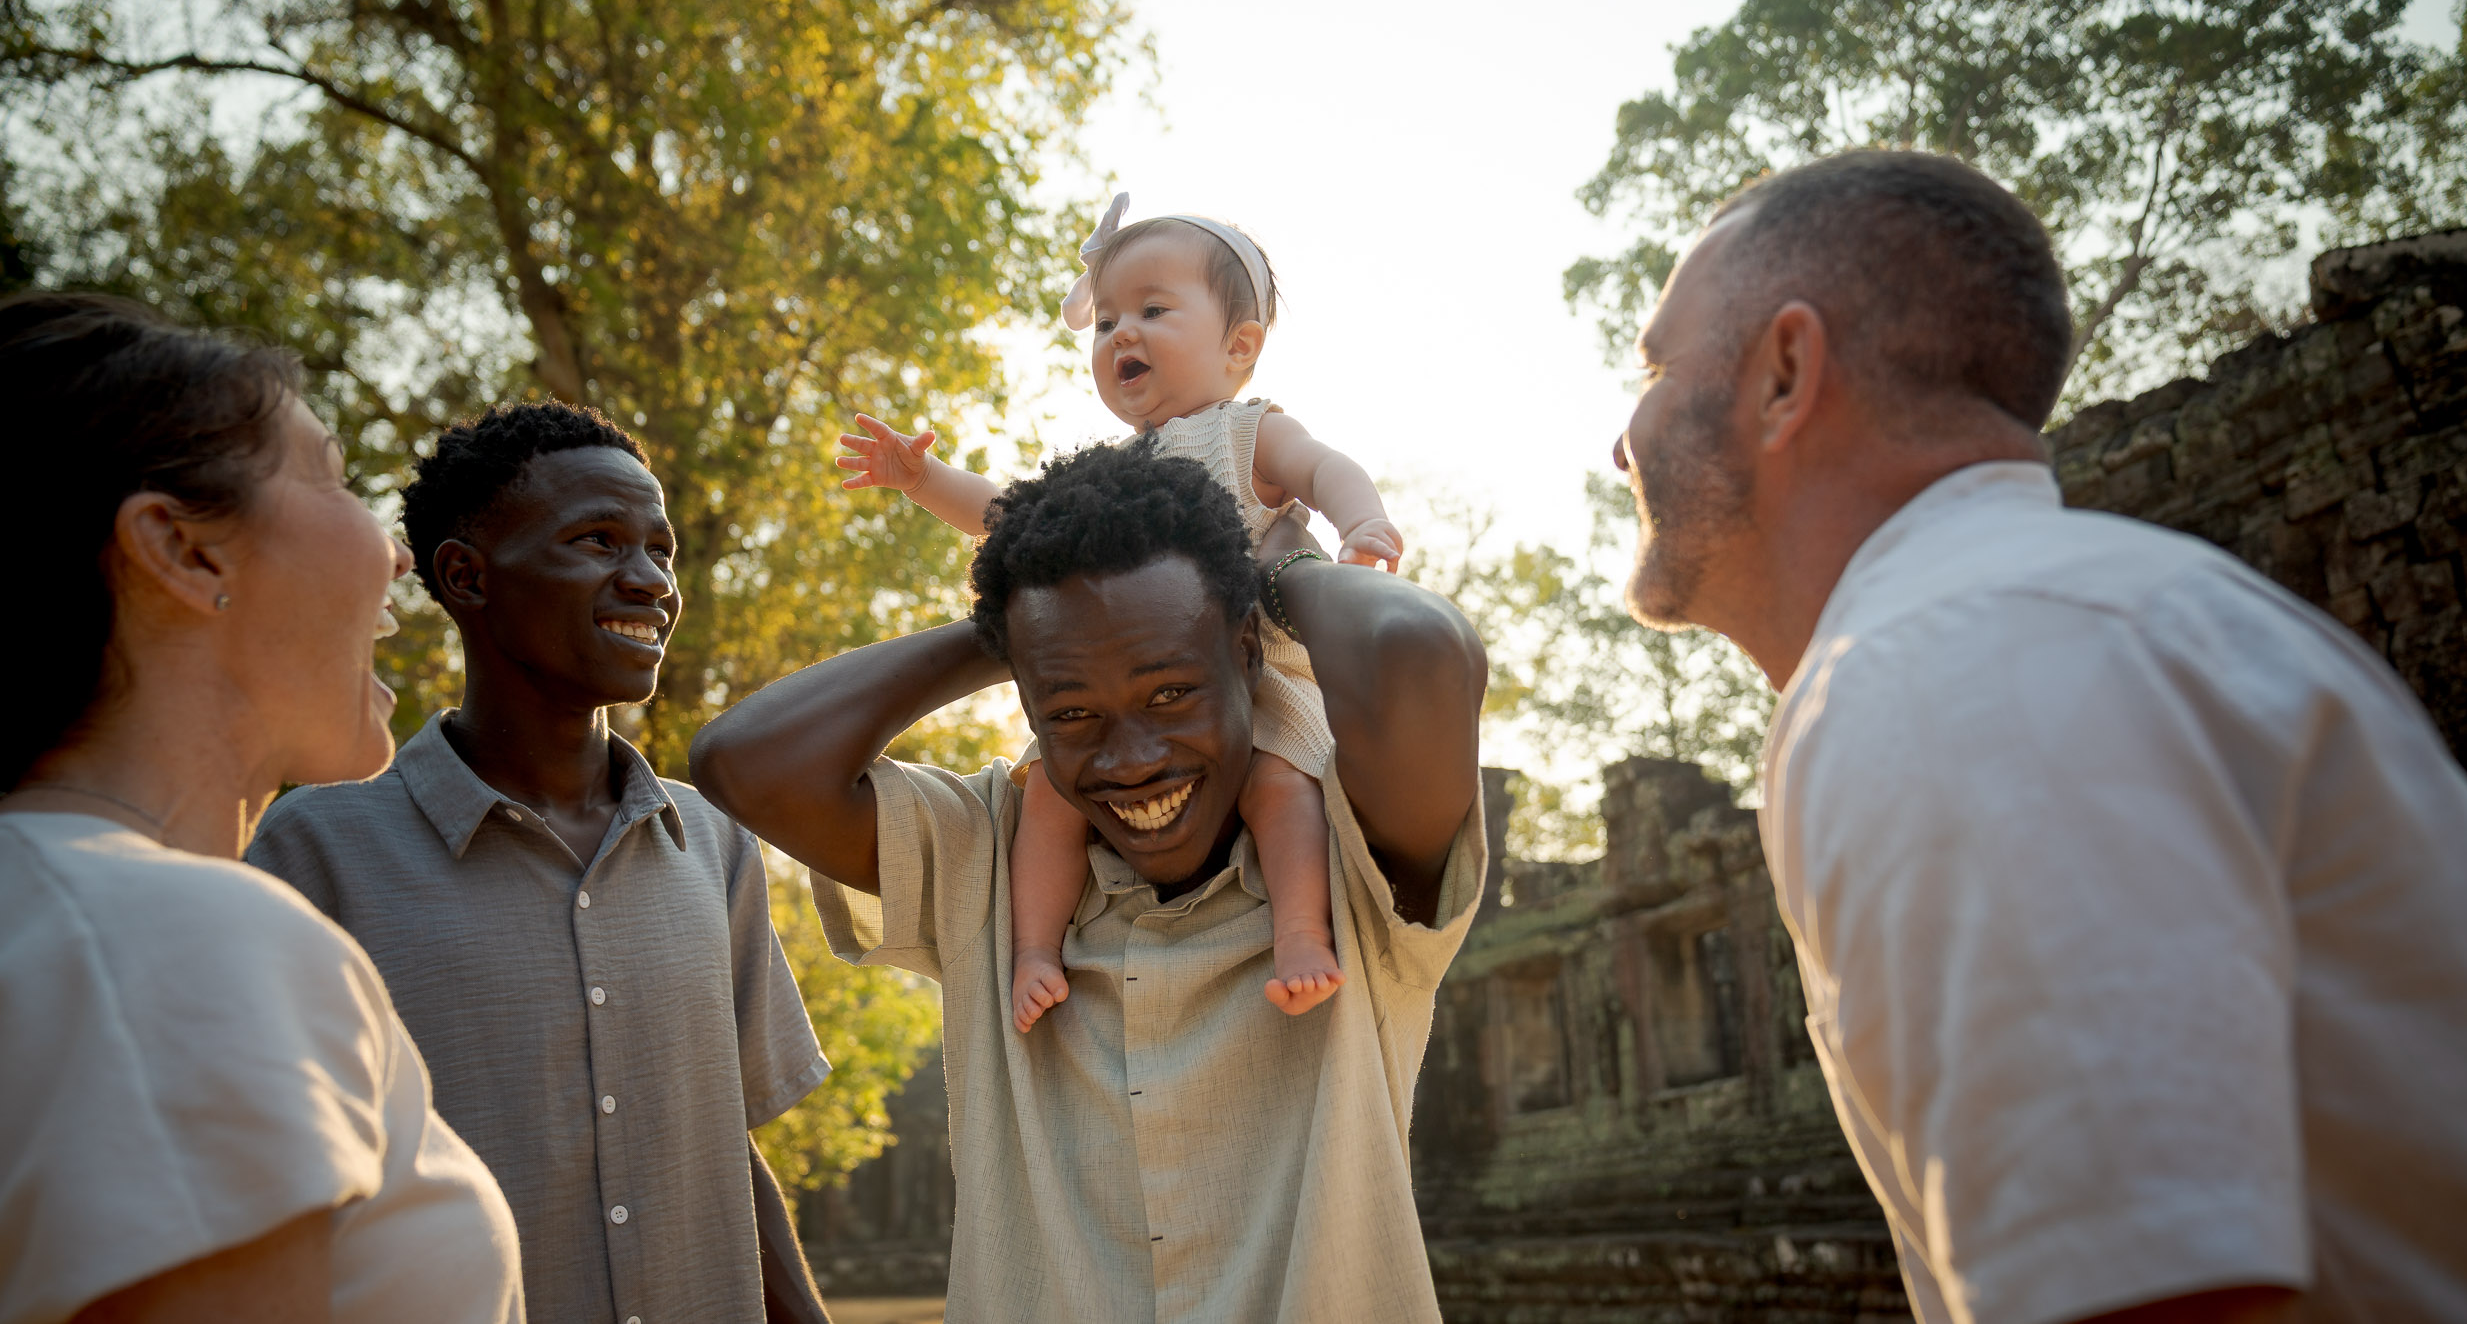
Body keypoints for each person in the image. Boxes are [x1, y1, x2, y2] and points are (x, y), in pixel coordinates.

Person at [1611, 148, 2467, 1323]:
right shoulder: (2051, 625)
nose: (1621, 444)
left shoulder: (1955, 669)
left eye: (1660, 365)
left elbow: (2158, 1297)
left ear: (1784, 374)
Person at [690, 438, 1486, 1323]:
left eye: (1171, 693)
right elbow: (744, 762)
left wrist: (1277, 573)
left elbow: (1420, 650)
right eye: (1069, 712)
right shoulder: (994, 853)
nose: (1133, 760)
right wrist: (1026, 628)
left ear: (1247, 655)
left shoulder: (1349, 852)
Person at [247, 402, 833, 1324]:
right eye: (598, 541)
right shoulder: (313, 853)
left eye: (661, 549)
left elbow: (726, 1142)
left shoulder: (713, 840)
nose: (649, 581)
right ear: (466, 577)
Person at [0, 293, 524, 1323]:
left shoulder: (58, 915)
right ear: (184, 551)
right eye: (332, 476)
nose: (400, 556)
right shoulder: (172, 942)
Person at [839, 193, 1403, 1030]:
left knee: (1284, 786)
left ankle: (1300, 932)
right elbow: (1008, 516)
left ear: (1238, 345)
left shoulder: (1248, 435)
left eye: (1151, 309)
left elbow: (1325, 468)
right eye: (1104, 322)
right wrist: (923, 480)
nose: (1120, 335)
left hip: (1253, 680)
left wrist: (1363, 522)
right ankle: (1034, 949)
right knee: (1049, 800)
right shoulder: (1107, 471)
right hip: (1119, 691)